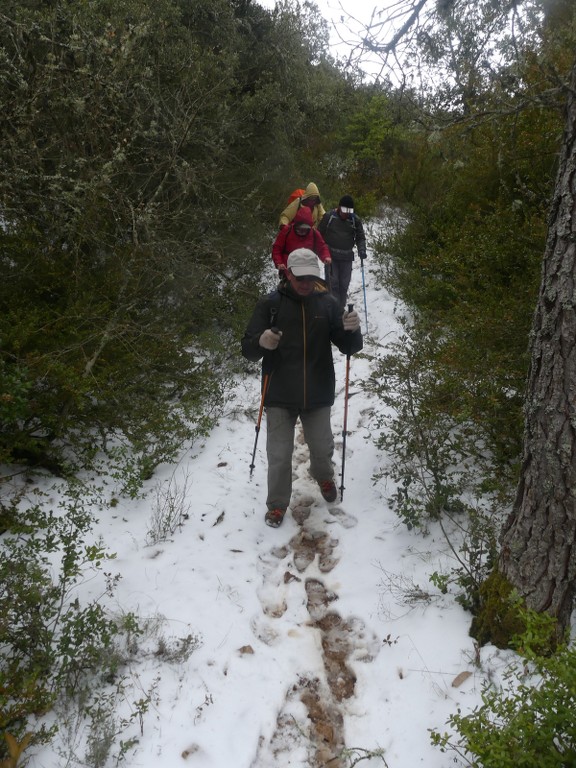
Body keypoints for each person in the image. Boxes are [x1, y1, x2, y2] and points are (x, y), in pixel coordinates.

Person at [241, 248, 363, 528]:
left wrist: (352, 329)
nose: (306, 283)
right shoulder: (270, 305)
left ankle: (324, 476)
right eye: (301, 278)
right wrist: (261, 341)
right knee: (279, 453)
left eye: (311, 277)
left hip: (317, 391)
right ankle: (277, 505)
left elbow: (348, 347)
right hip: (279, 392)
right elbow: (247, 349)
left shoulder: (328, 304)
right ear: (288, 274)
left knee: (321, 447)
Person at [318, 195, 367, 311]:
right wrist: (321, 250)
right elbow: (319, 234)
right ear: (339, 207)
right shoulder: (329, 217)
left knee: (344, 285)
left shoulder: (355, 220)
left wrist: (362, 249)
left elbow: (360, 237)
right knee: (332, 283)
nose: (346, 213)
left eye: (349, 211)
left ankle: (340, 308)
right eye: (345, 210)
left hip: (347, 257)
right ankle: (333, 309)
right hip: (331, 257)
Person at [271, 206, 331, 275]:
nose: (302, 231)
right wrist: (279, 263)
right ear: (295, 225)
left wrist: (326, 257)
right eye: (300, 228)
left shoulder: (314, 233)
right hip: (288, 269)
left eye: (305, 229)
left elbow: (322, 247)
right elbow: (277, 248)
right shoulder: (287, 230)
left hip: (308, 269)